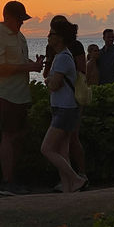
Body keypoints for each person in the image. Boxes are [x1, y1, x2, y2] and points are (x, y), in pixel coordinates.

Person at [0, 1, 44, 196]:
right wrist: (29, 67)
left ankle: (13, 178)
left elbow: (18, 62)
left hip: (20, 95)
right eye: (19, 19)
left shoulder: (20, 37)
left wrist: (33, 64)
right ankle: (7, 181)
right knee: (9, 136)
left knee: (18, 136)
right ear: (8, 17)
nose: (22, 23)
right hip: (5, 95)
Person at [40, 19, 88, 193]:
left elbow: (54, 85)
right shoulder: (64, 56)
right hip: (65, 108)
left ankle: (75, 179)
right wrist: (51, 80)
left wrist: (48, 81)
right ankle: (68, 191)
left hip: (64, 109)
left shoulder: (61, 58)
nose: (48, 36)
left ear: (59, 37)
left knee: (47, 148)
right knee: (62, 151)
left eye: (51, 33)